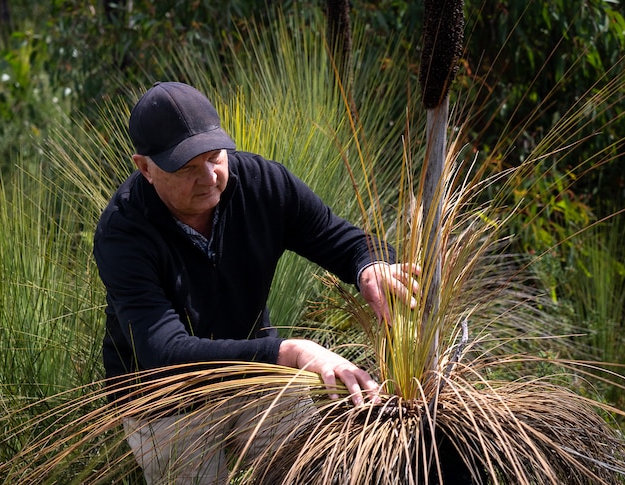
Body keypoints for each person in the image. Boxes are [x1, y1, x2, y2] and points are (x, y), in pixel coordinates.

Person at [93, 81, 419, 484]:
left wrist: (371, 266)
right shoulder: (122, 234)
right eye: (187, 168)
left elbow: (341, 239)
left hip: (256, 377)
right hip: (166, 401)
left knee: (311, 475)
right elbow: (164, 351)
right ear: (145, 168)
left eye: (214, 157)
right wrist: (290, 352)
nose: (209, 177)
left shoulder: (263, 184)